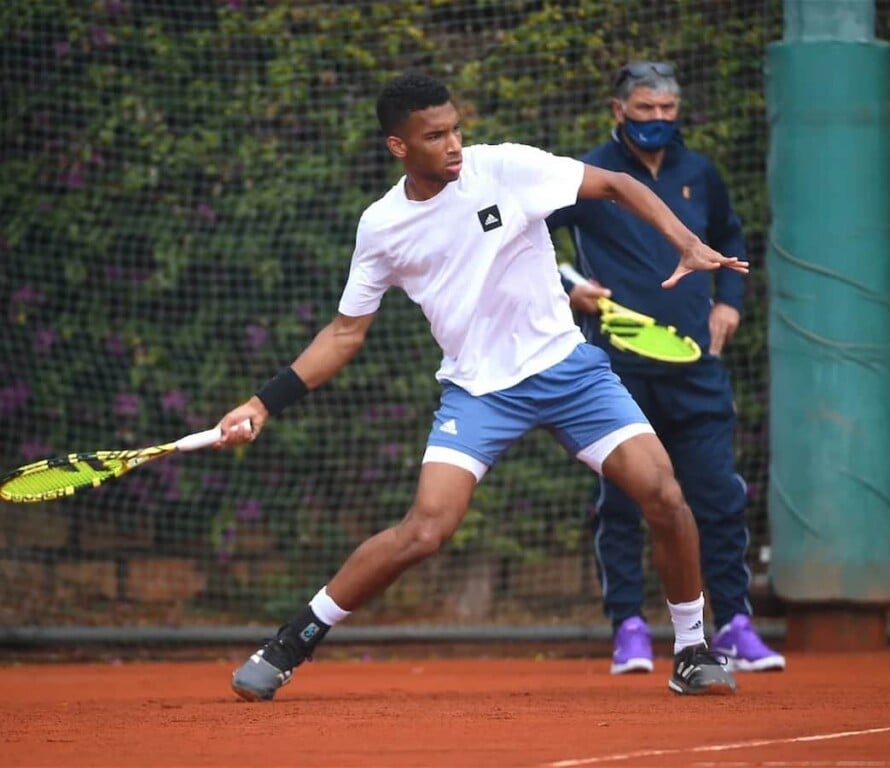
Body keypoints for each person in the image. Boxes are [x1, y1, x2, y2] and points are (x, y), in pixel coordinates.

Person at [215, 72, 748, 702]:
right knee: (426, 529)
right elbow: (343, 334)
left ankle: (691, 648)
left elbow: (616, 183)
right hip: (480, 392)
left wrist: (686, 243)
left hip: (569, 372)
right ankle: (289, 644)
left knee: (663, 493)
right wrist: (261, 402)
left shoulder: (504, 168)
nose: (453, 145)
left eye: (455, 129)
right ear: (398, 147)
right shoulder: (382, 227)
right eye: (434, 135)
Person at [547, 61, 785, 674]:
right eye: (645, 109)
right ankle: (628, 627)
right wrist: (563, 290)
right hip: (614, 369)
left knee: (718, 498)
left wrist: (729, 305)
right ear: (617, 109)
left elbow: (731, 235)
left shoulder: (699, 173)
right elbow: (520, 240)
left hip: (697, 368)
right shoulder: (587, 174)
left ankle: (733, 624)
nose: (657, 120)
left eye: (667, 110)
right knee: (624, 501)